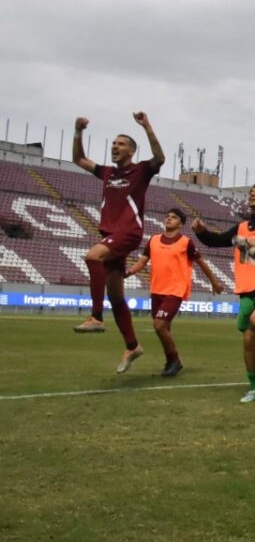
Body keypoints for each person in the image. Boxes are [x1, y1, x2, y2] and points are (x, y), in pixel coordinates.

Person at [70, 112, 166, 373]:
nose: (115, 146)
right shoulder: (108, 173)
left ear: (132, 151)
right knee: (116, 296)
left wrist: (147, 126)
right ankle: (133, 345)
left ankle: (96, 317)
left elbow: (160, 158)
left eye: (121, 143)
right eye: (113, 143)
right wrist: (78, 132)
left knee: (92, 257)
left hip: (128, 232)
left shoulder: (141, 170)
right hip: (111, 235)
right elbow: (78, 159)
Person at [194, 182, 255, 402]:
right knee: (248, 341)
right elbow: (216, 241)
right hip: (248, 290)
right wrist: (201, 232)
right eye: (251, 193)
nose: (252, 194)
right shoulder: (241, 228)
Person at [124, 208, 225, 376]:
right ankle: (170, 361)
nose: (169, 219)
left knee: (159, 325)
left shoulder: (186, 242)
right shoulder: (154, 240)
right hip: (156, 290)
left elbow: (201, 262)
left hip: (175, 290)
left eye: (174, 217)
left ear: (181, 223)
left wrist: (214, 282)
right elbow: (142, 262)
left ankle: (175, 360)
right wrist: (128, 272)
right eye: (168, 216)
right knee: (163, 329)